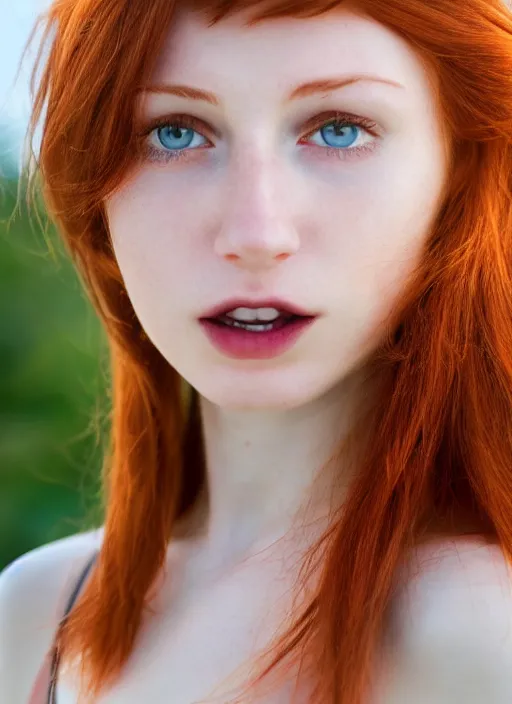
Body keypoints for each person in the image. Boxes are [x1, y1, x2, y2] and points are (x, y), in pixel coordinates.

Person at [1, 0, 512, 702]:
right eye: (175, 133)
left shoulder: (475, 629)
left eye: (338, 129)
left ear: (457, 175)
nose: (255, 230)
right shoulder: (37, 609)